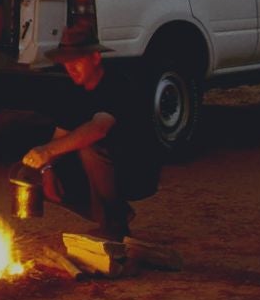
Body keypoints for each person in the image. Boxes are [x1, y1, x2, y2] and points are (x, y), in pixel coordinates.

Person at [20, 22, 159, 239]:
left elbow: (98, 129)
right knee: (24, 172)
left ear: (95, 58)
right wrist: (47, 169)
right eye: (66, 63)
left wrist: (47, 152)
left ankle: (113, 226)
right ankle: (114, 214)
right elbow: (59, 138)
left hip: (135, 168)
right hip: (97, 169)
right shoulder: (72, 91)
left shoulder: (118, 84)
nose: (71, 68)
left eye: (77, 61)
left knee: (90, 146)